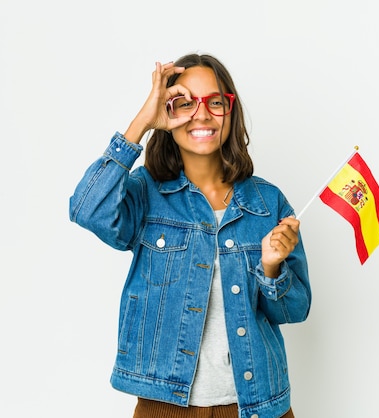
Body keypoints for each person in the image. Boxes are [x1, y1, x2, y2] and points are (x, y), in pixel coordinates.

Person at [69, 53, 311, 418]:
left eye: (215, 102)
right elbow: (87, 210)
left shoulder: (267, 202)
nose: (201, 114)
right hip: (165, 407)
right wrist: (143, 122)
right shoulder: (146, 193)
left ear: (230, 111)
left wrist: (272, 268)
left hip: (258, 407)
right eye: (185, 102)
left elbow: (294, 309)